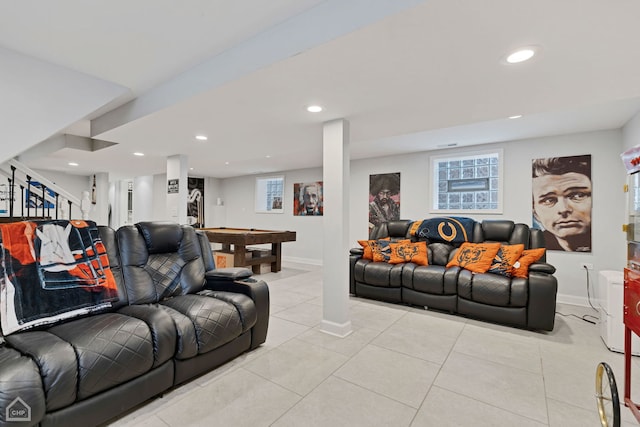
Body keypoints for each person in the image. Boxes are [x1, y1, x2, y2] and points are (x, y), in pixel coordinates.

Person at [532, 155, 592, 252]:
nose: (563, 209)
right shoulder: (535, 247)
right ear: (535, 213)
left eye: (578, 195)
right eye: (548, 200)